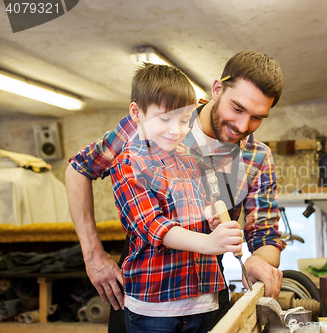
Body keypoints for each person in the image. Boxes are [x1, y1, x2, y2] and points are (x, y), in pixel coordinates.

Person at [65, 50, 286, 332]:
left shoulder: (257, 157)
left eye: (257, 118)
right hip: (149, 292)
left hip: (206, 292)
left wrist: (258, 260)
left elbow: (265, 233)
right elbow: (78, 169)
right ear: (217, 89)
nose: (243, 126)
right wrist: (92, 254)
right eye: (237, 108)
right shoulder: (160, 117)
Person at [110, 63, 242, 333]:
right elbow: (154, 226)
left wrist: (215, 223)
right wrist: (209, 242)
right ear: (137, 113)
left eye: (184, 120)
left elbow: (201, 209)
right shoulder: (129, 163)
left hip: (204, 300)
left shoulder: (192, 158)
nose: (175, 130)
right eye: (164, 119)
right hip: (156, 308)